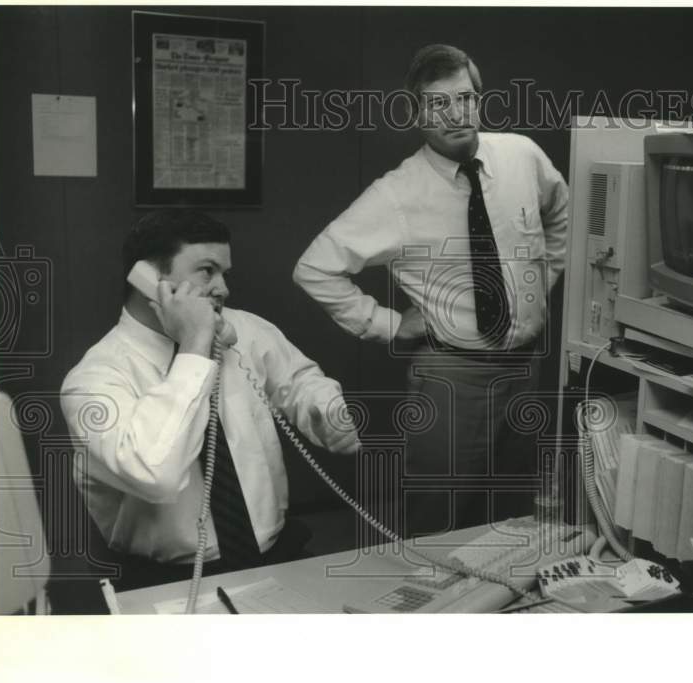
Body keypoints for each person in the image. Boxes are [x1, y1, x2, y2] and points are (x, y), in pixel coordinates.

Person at [294, 43, 569, 536]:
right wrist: (389, 324)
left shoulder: (522, 156)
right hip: (451, 375)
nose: (455, 114)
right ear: (416, 113)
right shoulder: (397, 194)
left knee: (515, 515)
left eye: (464, 98)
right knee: (438, 519)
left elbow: (559, 212)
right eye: (437, 103)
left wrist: (539, 288)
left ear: (479, 97)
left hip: (527, 368)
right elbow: (315, 268)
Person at [61, 210, 359, 589]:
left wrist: (324, 408)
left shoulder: (244, 330)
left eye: (224, 273)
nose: (223, 288)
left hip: (273, 552)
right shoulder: (93, 380)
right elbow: (154, 473)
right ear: (148, 280)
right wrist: (194, 347)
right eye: (207, 270)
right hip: (163, 580)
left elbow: (298, 379)